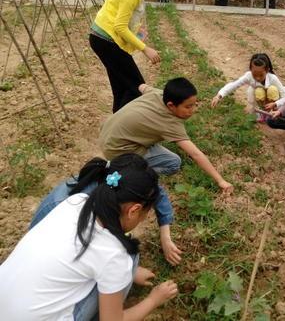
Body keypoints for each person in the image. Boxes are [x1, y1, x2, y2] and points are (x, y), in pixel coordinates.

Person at [0, 166, 179, 320]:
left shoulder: (76, 201)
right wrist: (154, 299)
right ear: (134, 210)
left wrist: (130, 274)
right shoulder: (114, 254)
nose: (144, 219)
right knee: (128, 259)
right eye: (145, 214)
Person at [30, 154, 182, 266]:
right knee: (128, 258)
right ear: (133, 210)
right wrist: (130, 273)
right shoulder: (73, 211)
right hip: (45, 270)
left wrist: (165, 236)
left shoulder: (110, 182)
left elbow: (155, 191)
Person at [99, 77, 233, 194]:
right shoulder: (170, 123)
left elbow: (141, 86)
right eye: (188, 107)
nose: (193, 110)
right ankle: (124, 172)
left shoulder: (158, 93)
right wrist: (221, 180)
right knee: (173, 163)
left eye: (194, 104)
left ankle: (123, 163)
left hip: (107, 133)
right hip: (117, 149)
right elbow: (196, 154)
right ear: (171, 105)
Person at [89, 0, 172, 112]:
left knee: (122, 88)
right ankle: (118, 130)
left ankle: (115, 129)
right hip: (107, 41)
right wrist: (145, 49)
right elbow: (119, 26)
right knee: (137, 88)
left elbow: (121, 19)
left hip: (103, 39)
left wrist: (137, 31)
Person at [211, 53, 285, 122]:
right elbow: (234, 85)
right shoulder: (249, 76)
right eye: (255, 74)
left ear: (267, 70)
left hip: (275, 104)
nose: (257, 78)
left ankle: (273, 112)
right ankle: (262, 112)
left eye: (261, 75)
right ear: (250, 69)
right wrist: (219, 95)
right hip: (261, 102)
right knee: (257, 91)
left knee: (272, 90)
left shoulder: (273, 78)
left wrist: (275, 104)